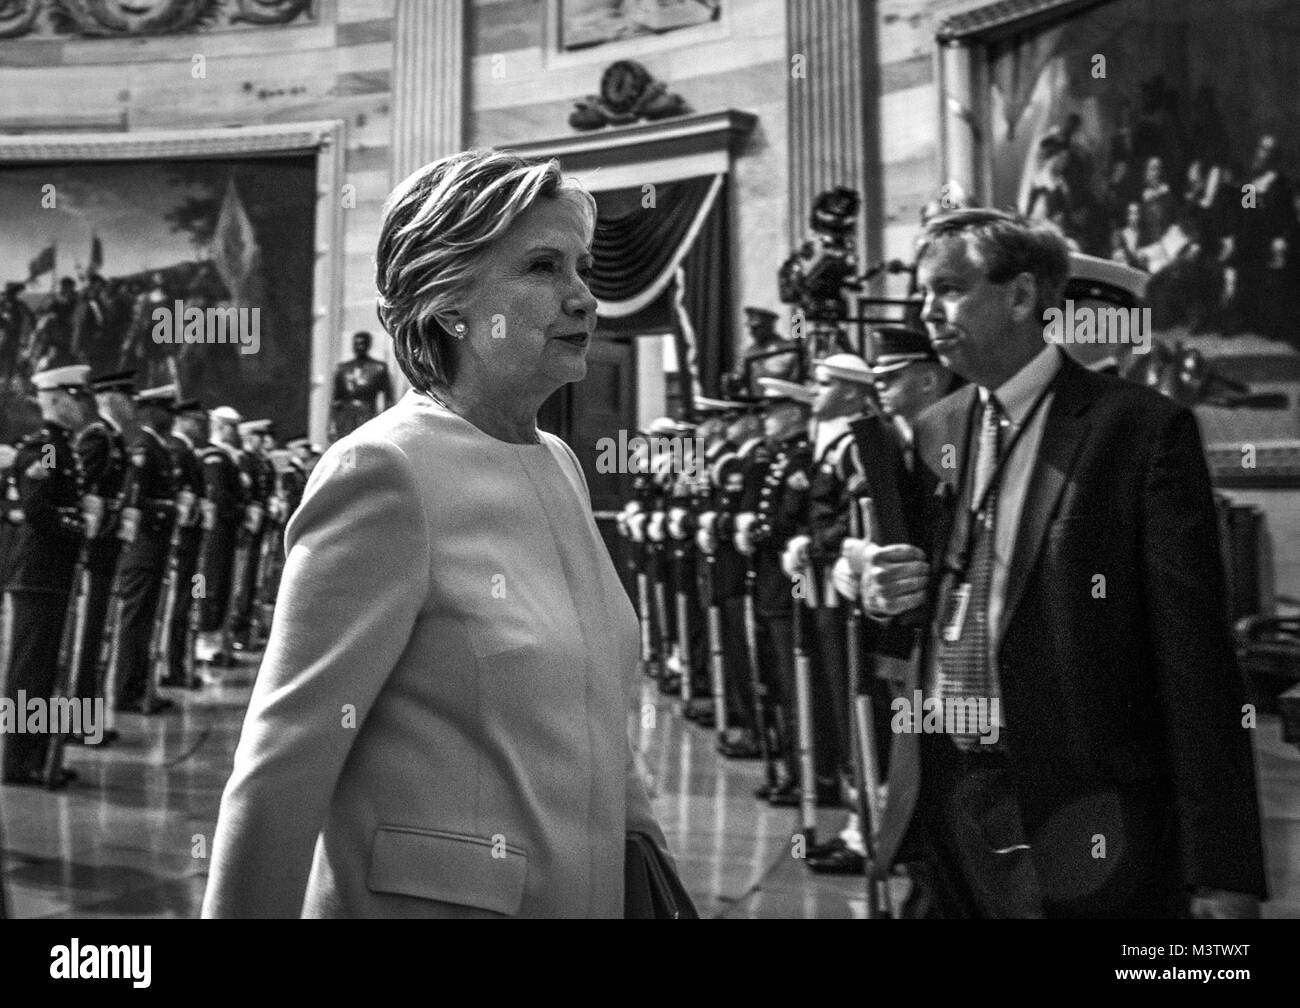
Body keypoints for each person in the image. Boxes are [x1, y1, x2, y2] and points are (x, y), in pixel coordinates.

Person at [203, 148, 675, 918]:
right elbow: (280, 772)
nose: (583, 298)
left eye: (582, 268)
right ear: (450, 300)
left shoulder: (556, 462)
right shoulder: (384, 472)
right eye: (544, 268)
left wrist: (644, 857)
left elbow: (596, 711)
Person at [862, 208, 1266, 918]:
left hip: (1080, 803)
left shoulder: (1137, 429)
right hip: (948, 786)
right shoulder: (934, 429)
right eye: (923, 293)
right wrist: (871, 584)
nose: (928, 311)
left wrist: (1223, 863)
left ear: (1021, 296)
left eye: (949, 288)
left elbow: (1195, 658)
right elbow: (925, 594)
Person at [1, 364, 88, 788]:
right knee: (29, 673)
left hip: (52, 574)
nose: (82, 405)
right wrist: (78, 526)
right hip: (37, 573)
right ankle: (17, 761)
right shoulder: (48, 448)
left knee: (45, 670)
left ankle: (36, 754)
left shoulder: (62, 447)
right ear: (56, 398)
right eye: (76, 397)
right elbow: (37, 508)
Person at [109, 384, 179, 715]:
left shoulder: (157, 447)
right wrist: (168, 510)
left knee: (146, 620)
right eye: (168, 412)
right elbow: (133, 500)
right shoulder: (144, 447)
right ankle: (126, 691)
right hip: (143, 547)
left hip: (156, 548)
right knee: (134, 621)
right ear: (155, 412)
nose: (172, 419)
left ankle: (139, 686)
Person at [329, 331, 394, 441]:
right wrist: (332, 425)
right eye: (356, 344)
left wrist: (387, 426)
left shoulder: (379, 368)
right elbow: (335, 400)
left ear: (368, 345)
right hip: (345, 418)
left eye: (362, 343)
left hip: (367, 415)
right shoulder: (342, 369)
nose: (359, 347)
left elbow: (389, 401)